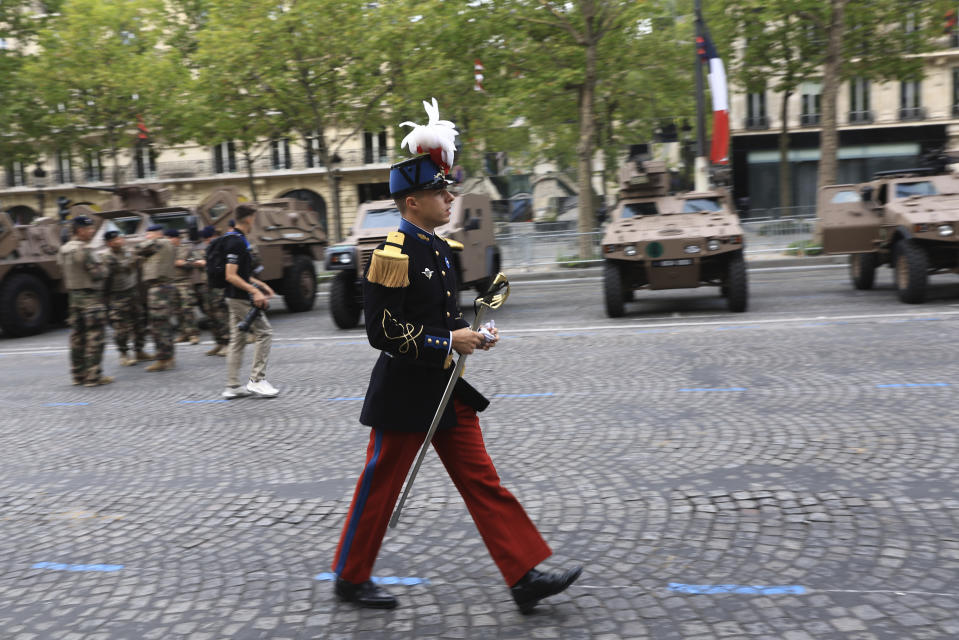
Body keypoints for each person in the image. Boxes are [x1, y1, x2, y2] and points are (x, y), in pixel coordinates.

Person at [330, 99, 580, 613]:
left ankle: (524, 574)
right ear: (411, 202)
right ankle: (350, 577)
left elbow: (442, 316)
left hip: (447, 390)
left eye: (447, 190)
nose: (449, 198)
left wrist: (470, 333)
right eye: (438, 192)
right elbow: (381, 330)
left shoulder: (441, 250)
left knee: (483, 480)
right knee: (380, 487)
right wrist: (448, 342)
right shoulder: (392, 252)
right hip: (405, 394)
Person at [220, 204, 278, 399]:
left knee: (237, 340)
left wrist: (261, 285)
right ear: (248, 219)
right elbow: (230, 275)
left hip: (233, 296)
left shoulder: (237, 239)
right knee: (265, 332)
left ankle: (232, 385)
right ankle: (257, 380)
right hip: (239, 298)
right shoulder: (236, 242)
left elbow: (242, 274)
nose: (255, 222)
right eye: (254, 218)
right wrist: (255, 291)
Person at [56, 215, 112, 386]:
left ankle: (78, 375)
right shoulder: (85, 250)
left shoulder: (64, 249)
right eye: (89, 229)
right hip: (90, 300)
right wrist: (104, 265)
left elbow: (61, 270)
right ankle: (93, 376)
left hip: (73, 299)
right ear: (80, 231)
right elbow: (98, 274)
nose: (92, 231)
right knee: (95, 337)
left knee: (77, 338)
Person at [101, 230, 150, 366]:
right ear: (109, 243)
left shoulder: (127, 251)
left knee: (139, 323)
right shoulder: (107, 257)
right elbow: (119, 269)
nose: (120, 241)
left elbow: (137, 261)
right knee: (121, 328)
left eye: (120, 238)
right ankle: (123, 354)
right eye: (116, 239)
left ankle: (139, 351)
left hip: (133, 292)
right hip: (118, 295)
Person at [136, 224, 177, 371]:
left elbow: (138, 249)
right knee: (162, 324)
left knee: (158, 326)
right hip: (162, 287)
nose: (146, 238)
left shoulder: (160, 242)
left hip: (159, 288)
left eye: (148, 235)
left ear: (155, 234)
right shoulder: (166, 243)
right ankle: (168, 357)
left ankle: (163, 359)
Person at [198, 225, 230, 356]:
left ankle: (227, 343)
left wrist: (206, 263)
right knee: (210, 315)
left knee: (220, 314)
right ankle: (219, 342)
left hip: (218, 285)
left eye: (206, 238)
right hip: (207, 284)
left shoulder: (222, 246)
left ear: (211, 236)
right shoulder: (209, 247)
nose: (205, 241)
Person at [169, 228, 200, 345]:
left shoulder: (186, 248)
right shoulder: (166, 250)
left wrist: (184, 263)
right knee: (176, 310)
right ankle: (183, 333)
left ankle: (193, 334)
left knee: (187, 309)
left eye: (170, 238)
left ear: (176, 238)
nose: (169, 240)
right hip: (171, 282)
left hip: (184, 282)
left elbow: (196, 261)